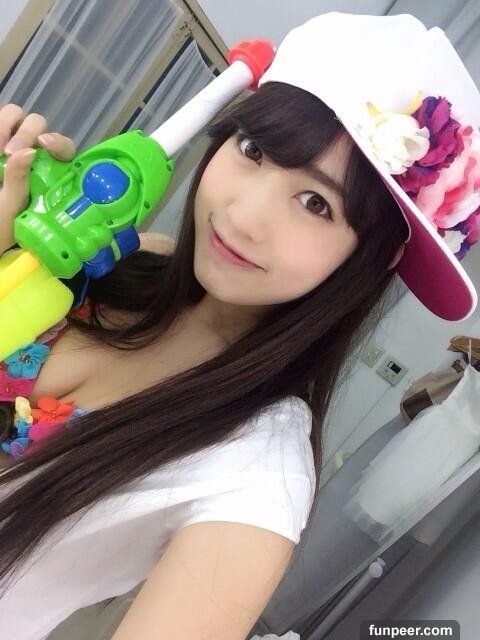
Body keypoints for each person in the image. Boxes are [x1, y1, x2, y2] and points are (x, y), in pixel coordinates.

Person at [0, 11, 478, 640]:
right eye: (253, 151)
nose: (244, 216)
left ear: (376, 254)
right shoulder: (121, 264)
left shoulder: (260, 472)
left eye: (316, 203)